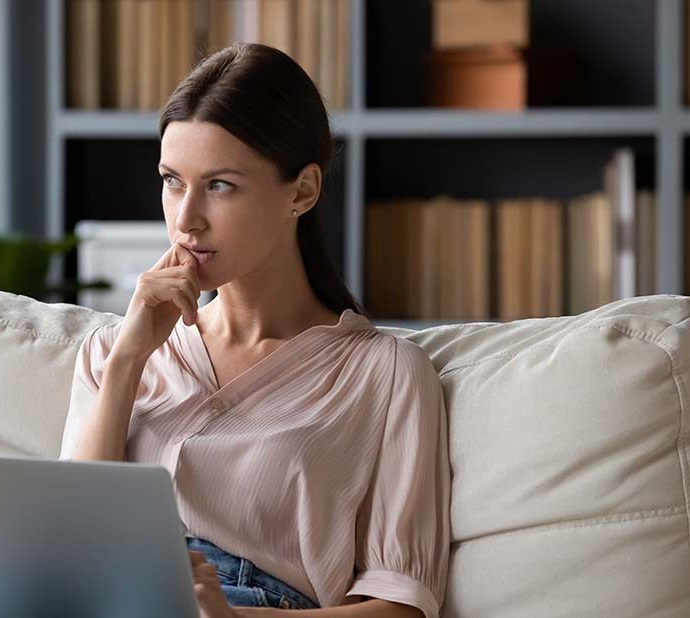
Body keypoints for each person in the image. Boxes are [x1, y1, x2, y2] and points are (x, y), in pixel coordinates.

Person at [58, 42, 450, 618]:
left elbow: (400, 608)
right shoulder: (113, 353)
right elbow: (68, 543)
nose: (186, 218)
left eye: (220, 185)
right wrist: (127, 362)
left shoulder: (384, 374)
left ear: (302, 191)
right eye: (172, 181)